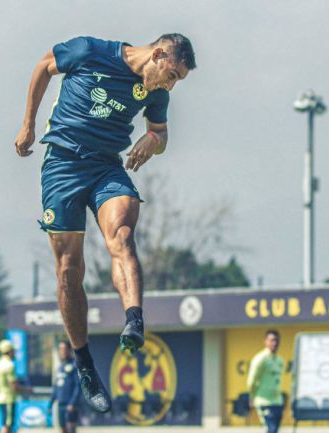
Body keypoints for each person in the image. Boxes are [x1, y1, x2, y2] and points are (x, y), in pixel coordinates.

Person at [14, 33, 196, 413]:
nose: (171, 84)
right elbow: (42, 67)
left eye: (178, 79)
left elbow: (160, 133)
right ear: (158, 54)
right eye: (173, 74)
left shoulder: (157, 91)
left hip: (106, 169)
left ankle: (134, 321)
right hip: (62, 165)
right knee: (68, 269)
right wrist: (28, 123)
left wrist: (153, 140)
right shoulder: (90, 51)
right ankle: (84, 365)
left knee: (123, 235)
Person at [247, 329, 284, 433]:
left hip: (277, 402)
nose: (274, 343)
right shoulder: (260, 359)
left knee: (274, 430)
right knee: (271, 429)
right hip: (264, 401)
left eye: (276, 340)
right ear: (265, 342)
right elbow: (251, 380)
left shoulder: (280, 361)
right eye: (271, 340)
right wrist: (252, 395)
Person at [0, 340, 31, 433]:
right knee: (7, 427)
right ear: (9, 351)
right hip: (9, 400)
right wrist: (28, 390)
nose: (14, 353)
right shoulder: (9, 365)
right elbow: (14, 386)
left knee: (5, 424)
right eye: (13, 350)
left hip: (0, 399)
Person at [48, 341, 81, 433]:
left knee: (71, 428)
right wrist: (50, 404)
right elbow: (56, 387)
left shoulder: (74, 365)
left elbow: (78, 386)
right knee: (62, 429)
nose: (62, 351)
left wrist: (73, 403)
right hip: (60, 404)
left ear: (69, 350)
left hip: (70, 404)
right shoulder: (61, 366)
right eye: (60, 349)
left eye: (64, 349)